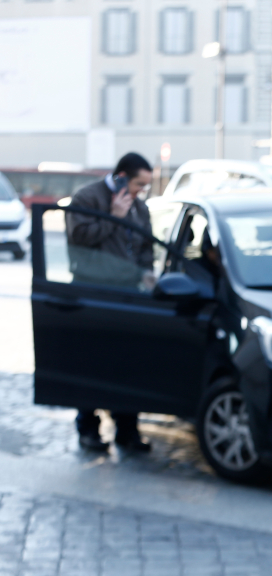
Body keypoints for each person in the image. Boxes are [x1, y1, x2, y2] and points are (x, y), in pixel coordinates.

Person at [66, 152, 155, 452]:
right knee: (90, 361)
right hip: (93, 291)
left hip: (128, 293)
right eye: (139, 184)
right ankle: (88, 429)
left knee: (128, 362)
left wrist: (146, 273)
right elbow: (79, 238)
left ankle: (127, 429)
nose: (141, 191)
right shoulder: (87, 198)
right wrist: (113, 218)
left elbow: (146, 247)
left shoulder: (140, 208)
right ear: (121, 177)